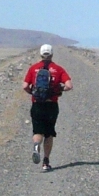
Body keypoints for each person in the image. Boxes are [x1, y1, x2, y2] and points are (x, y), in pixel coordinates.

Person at [22, 44, 73, 172]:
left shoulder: (33, 68)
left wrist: (32, 93)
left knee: (37, 131)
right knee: (49, 134)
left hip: (37, 104)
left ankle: (35, 146)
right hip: (51, 105)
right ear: (51, 54)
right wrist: (58, 90)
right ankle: (46, 162)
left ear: (40, 54)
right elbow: (69, 86)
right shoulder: (58, 69)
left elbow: (24, 86)